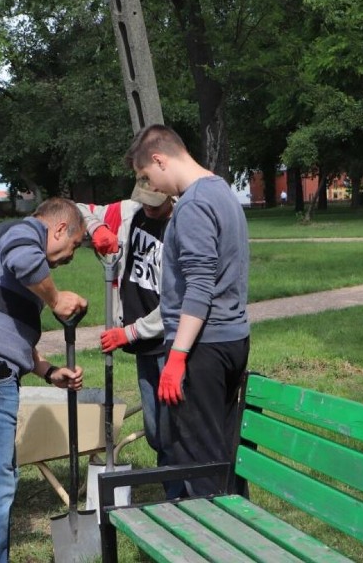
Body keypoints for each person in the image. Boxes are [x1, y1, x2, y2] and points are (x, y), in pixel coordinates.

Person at [0, 197, 93, 563]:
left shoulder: (9, 247)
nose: (69, 258)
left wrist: (47, 371)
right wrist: (55, 299)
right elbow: (24, 258)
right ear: (58, 228)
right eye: (72, 246)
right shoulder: (23, 233)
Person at [124, 124, 250, 497]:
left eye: (147, 175)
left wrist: (177, 357)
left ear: (160, 159)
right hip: (232, 339)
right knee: (224, 454)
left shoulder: (194, 204)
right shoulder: (222, 192)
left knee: (199, 460)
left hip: (203, 348)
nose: (151, 187)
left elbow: (199, 287)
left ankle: (212, 546)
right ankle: (239, 541)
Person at [77, 185, 184, 498]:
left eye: (155, 203)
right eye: (145, 201)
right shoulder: (128, 211)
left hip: (170, 344)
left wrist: (128, 332)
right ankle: (173, 493)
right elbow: (75, 208)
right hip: (144, 348)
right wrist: (97, 229)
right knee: (155, 431)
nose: (148, 208)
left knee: (174, 429)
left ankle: (182, 496)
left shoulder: (183, 228)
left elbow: (179, 305)